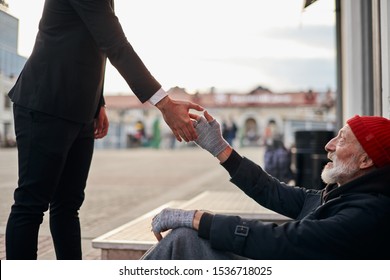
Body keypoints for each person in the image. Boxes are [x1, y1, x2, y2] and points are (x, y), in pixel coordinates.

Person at [5, 0, 203, 260]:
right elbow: (116, 44)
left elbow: (93, 43)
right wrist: (165, 104)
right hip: (45, 103)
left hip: (81, 110)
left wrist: (98, 102)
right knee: (31, 204)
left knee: (67, 206)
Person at [142, 112, 390, 260]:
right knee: (185, 240)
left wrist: (198, 219)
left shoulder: (369, 213)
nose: (329, 145)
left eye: (342, 140)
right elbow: (273, 192)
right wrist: (220, 149)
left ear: (366, 160)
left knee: (185, 241)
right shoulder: (342, 195)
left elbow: (283, 241)